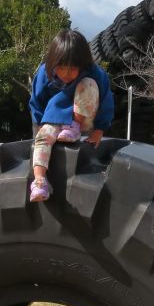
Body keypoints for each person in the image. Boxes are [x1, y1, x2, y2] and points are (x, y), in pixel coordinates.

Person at [27, 29, 115, 202]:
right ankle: (39, 181)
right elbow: (36, 101)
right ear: (53, 63)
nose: (66, 74)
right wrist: (40, 126)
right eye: (61, 68)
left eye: (72, 68)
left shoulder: (94, 73)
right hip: (56, 119)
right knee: (42, 138)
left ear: (83, 64)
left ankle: (73, 126)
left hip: (84, 118)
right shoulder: (45, 73)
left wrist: (99, 129)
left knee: (88, 84)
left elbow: (106, 100)